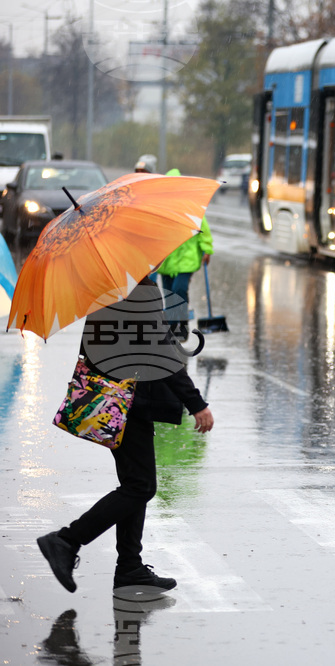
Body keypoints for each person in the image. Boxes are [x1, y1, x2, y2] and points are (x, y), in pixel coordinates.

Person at [36, 276, 214, 594]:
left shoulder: (108, 284)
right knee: (140, 486)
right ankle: (66, 540)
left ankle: (130, 566)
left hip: (125, 398)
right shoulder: (134, 286)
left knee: (136, 483)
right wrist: (196, 403)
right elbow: (161, 354)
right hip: (127, 399)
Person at [158, 168, 214, 341]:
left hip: (187, 259)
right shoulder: (161, 209)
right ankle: (172, 325)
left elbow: (203, 230)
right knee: (168, 293)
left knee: (179, 289)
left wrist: (207, 249)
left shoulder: (191, 207)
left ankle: (181, 326)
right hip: (167, 260)